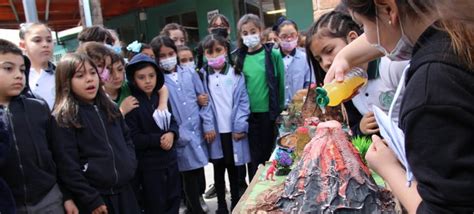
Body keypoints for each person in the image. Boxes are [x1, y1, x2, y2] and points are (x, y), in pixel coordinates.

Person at [331, 0, 474, 213]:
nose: (369, 39)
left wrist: (388, 168)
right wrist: (344, 56)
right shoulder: (459, 31)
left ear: (389, 9)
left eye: (363, 26)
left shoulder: (430, 88)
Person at [51, 53, 139, 214]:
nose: (89, 79)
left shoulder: (110, 107)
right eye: (80, 75)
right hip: (96, 198)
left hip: (125, 190)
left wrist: (130, 163)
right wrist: (90, 198)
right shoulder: (65, 117)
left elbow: (127, 138)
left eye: (93, 73)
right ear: (66, 81)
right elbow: (67, 165)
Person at [0, 39, 77, 214]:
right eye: (8, 68)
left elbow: (59, 154)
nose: (19, 75)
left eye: (21, 69)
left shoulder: (38, 107)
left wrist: (67, 195)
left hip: (48, 199)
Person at [306, 10, 407, 136]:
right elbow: (352, 126)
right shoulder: (345, 86)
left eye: (329, 50)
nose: (325, 63)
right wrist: (360, 128)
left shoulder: (392, 65)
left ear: (353, 39)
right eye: (319, 59)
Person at [199, 34, 251, 213]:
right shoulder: (203, 75)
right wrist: (208, 126)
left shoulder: (236, 73)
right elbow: (204, 104)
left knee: (234, 169)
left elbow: (243, 102)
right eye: (209, 52)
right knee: (218, 169)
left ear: (226, 50)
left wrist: (239, 126)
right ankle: (221, 204)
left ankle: (236, 202)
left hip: (233, 132)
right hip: (215, 133)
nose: (214, 55)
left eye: (218, 50)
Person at [124, 52, 180, 214]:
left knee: (174, 199)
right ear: (133, 79)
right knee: (156, 204)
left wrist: (172, 134)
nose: (148, 81)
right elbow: (134, 138)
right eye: (141, 77)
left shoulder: (160, 98)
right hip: (149, 167)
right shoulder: (133, 103)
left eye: (151, 76)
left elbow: (173, 122)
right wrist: (158, 140)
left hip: (170, 161)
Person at [234, 14, 285, 180]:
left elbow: (280, 83)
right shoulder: (240, 58)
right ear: (241, 36)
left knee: (267, 155)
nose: (249, 36)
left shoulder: (273, 55)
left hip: (267, 113)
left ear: (261, 31)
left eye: (253, 31)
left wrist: (279, 111)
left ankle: (268, 185)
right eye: (245, 33)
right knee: (252, 158)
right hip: (248, 115)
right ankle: (252, 187)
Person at [275, 18, 314, 106]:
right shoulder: (273, 58)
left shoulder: (305, 58)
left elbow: (310, 83)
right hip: (278, 108)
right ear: (278, 37)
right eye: (284, 36)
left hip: (299, 107)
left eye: (292, 35)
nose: (289, 39)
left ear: (297, 35)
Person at [19, 22, 56, 110]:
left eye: (49, 40)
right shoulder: (18, 77)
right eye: (37, 40)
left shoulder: (63, 75)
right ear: (23, 45)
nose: (45, 44)